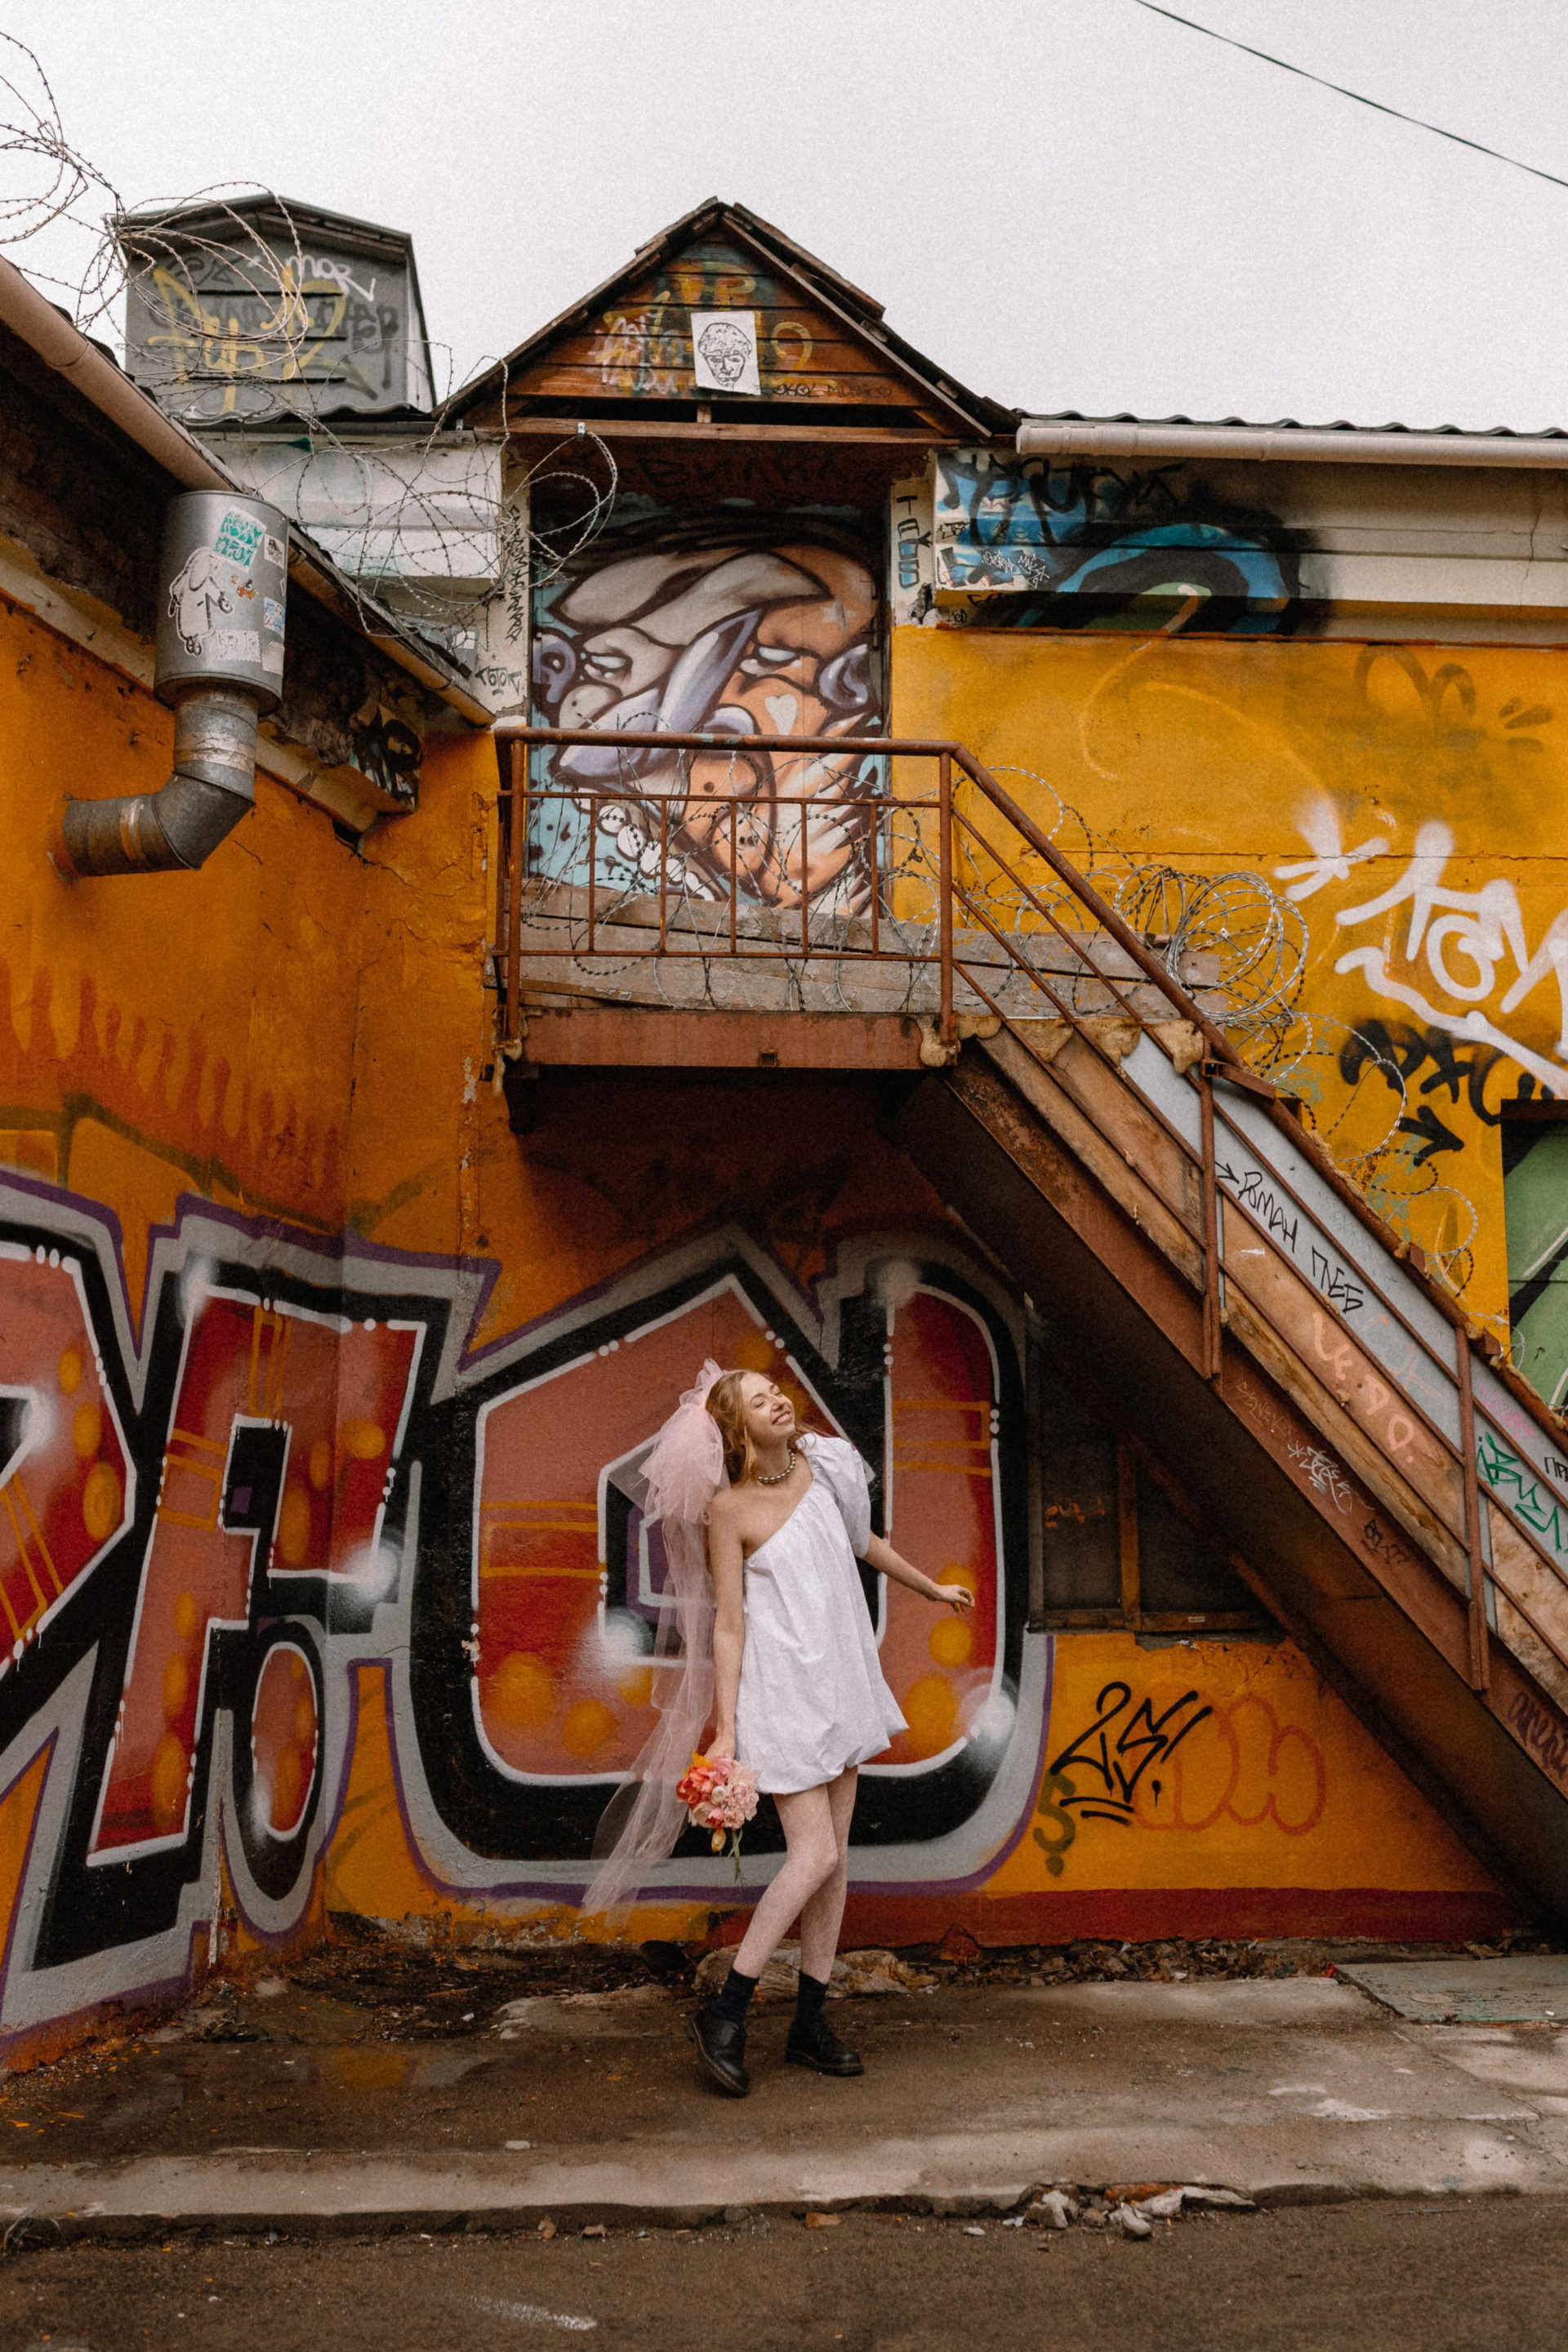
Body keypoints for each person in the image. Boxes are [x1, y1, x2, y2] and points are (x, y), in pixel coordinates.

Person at [689, 1366, 973, 2096]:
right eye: (758, 1401)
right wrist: (726, 1729)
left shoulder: (827, 1468)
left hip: (841, 1680)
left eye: (775, 1391)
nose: (778, 1401)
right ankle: (726, 2012)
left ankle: (809, 2024)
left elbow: (863, 1542)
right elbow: (729, 1624)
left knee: (835, 1860)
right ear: (738, 1429)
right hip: (781, 1694)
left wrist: (931, 1588)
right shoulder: (729, 1511)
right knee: (812, 1854)